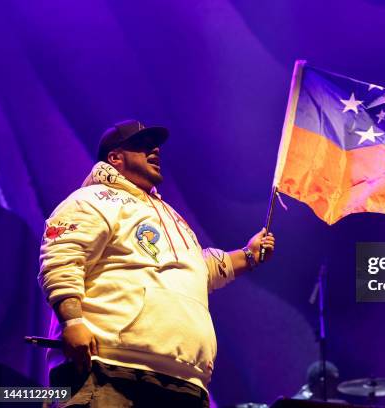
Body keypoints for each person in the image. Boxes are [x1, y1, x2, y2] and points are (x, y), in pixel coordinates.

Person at [38, 119, 275, 407]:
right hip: (109, 370)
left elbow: (198, 269)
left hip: (182, 382)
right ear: (115, 158)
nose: (155, 151)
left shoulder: (169, 215)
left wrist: (248, 255)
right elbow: (62, 256)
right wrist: (72, 320)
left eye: (156, 146)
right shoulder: (91, 200)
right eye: (142, 145)